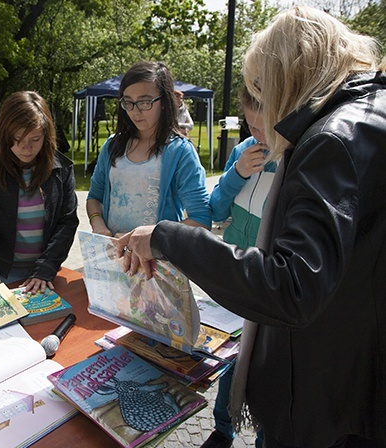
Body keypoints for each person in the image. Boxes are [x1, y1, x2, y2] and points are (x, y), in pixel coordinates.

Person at [117, 6, 386, 447]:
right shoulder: (371, 114)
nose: (258, 114)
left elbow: (292, 284)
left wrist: (169, 235)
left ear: (286, 80)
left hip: (326, 402)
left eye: (261, 90)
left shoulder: (332, 139)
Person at [201, 85, 275, 448]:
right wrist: (237, 173)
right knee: (229, 364)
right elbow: (215, 209)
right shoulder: (244, 152)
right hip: (234, 282)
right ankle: (221, 429)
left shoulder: (296, 161)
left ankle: (265, 435)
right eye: (251, 128)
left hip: (268, 286)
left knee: (266, 371)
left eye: (266, 129)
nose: (258, 137)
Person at [86, 61, 211, 237]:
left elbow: (201, 219)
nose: (135, 111)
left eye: (145, 102)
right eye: (128, 102)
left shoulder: (180, 152)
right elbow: (94, 197)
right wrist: (98, 224)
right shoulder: (113, 145)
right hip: (114, 257)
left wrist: (150, 237)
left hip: (157, 261)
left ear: (165, 102)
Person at [0, 91, 79, 293]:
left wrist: (45, 268)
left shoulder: (62, 170)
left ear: (46, 136)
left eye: (35, 139)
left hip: (46, 272)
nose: (26, 148)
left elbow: (67, 223)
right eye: (18, 138)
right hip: (2, 273)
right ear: (5, 135)